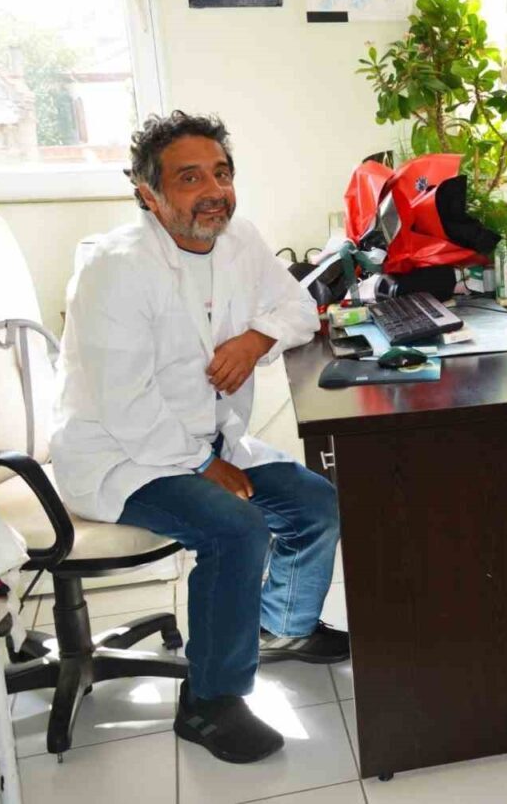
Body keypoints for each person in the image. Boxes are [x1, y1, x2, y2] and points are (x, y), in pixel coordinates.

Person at [51, 111, 348, 765]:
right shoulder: (115, 268)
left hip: (207, 439)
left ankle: (282, 627)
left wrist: (256, 338)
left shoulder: (239, 239)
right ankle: (209, 701)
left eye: (222, 173)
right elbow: (126, 405)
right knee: (236, 529)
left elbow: (300, 308)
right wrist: (204, 465)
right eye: (190, 178)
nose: (214, 191)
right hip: (121, 455)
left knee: (313, 500)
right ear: (148, 194)